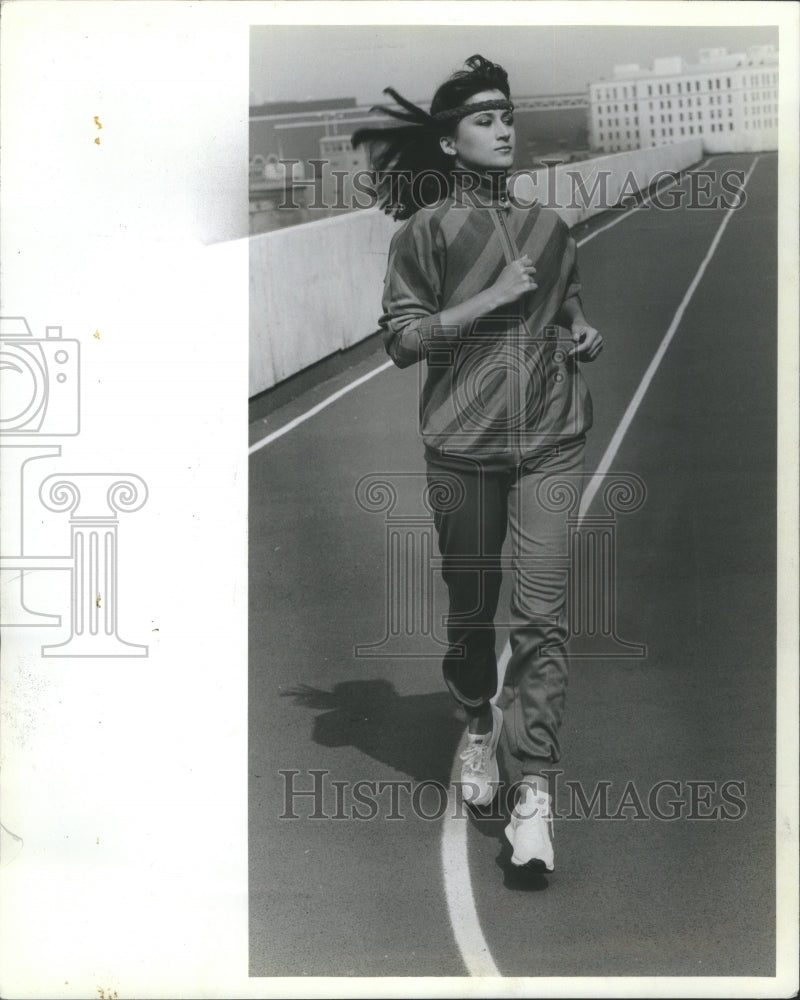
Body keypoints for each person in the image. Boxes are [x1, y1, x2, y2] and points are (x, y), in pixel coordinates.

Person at [353, 55, 603, 873]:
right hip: (463, 448)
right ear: (451, 143)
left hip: (552, 441)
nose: (505, 128)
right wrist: (488, 299)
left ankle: (534, 791)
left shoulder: (549, 230)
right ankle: (476, 725)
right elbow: (402, 341)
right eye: (485, 118)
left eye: (508, 115)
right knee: (472, 616)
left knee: (542, 617)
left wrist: (580, 334)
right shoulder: (421, 235)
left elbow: (564, 312)